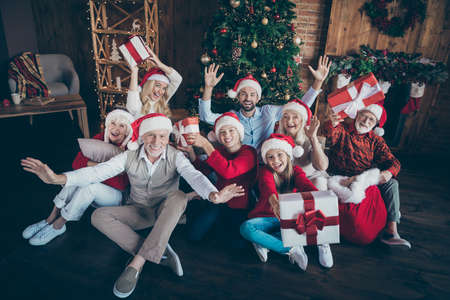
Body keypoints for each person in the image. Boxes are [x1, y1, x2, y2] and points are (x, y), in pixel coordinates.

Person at [21, 113, 244, 299]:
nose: (157, 142)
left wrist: (214, 195)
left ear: (168, 137)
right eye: (151, 136)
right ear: (142, 137)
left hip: (168, 210)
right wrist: (56, 178)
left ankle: (136, 264)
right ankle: (159, 251)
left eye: (163, 136)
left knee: (178, 196)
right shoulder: (129, 156)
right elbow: (96, 172)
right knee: (98, 216)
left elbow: (194, 176)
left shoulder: (176, 157)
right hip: (139, 211)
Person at [21, 109, 134, 246]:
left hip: (116, 197)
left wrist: (93, 170)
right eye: (113, 123)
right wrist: (102, 168)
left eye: (121, 126)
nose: (115, 129)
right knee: (78, 178)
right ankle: (49, 219)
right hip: (94, 192)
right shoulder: (100, 138)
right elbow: (77, 162)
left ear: (128, 131)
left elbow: (120, 183)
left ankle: (59, 225)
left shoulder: (130, 149)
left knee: (88, 184)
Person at [240, 134, 334, 270]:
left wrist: (321, 198)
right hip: (268, 218)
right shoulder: (265, 171)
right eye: (270, 157)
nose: (275, 160)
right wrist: (275, 202)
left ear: (288, 156)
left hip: (291, 219)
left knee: (314, 210)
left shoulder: (296, 171)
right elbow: (268, 187)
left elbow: (307, 186)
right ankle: (291, 248)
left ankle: (321, 242)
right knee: (246, 228)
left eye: (279, 155)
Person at [198, 55, 332, 151]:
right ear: (237, 97)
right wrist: (209, 87)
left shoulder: (268, 111)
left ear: (258, 98)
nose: (248, 98)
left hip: (266, 164)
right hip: (241, 165)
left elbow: (299, 107)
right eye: (243, 94)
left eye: (252, 94)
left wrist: (318, 82)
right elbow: (206, 117)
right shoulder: (232, 117)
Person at [324, 104, 411, 248]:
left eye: (371, 119)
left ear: (376, 124)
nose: (366, 121)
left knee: (392, 184)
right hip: (338, 176)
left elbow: (394, 162)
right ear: (357, 114)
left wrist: (388, 172)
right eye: (364, 115)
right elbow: (329, 134)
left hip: (361, 178)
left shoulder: (376, 141)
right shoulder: (342, 129)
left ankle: (391, 231)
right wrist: (331, 124)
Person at [178, 112, 257, 244]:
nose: (227, 135)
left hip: (240, 207)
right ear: (218, 137)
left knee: (235, 244)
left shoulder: (249, 152)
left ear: (239, 133)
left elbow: (228, 171)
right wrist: (191, 152)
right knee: (193, 236)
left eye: (231, 130)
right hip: (219, 201)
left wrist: (206, 145)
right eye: (222, 132)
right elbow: (203, 170)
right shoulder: (220, 151)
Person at [276, 99, 329, 190]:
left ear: (302, 121)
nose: (289, 121)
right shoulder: (276, 140)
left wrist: (313, 138)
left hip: (311, 178)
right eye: (286, 117)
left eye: (295, 117)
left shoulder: (308, 139)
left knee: (319, 183)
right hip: (289, 180)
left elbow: (322, 166)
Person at [126, 47, 182, 118]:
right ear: (149, 85)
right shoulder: (138, 100)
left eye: (164, 88)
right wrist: (134, 72)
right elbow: (132, 107)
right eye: (158, 85)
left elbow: (177, 79)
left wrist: (160, 65)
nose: (161, 91)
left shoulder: (162, 101)